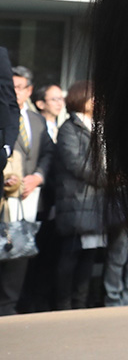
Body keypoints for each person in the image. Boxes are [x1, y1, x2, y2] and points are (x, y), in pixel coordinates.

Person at [0, 62, 49, 316]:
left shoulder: (36, 120)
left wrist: (38, 177)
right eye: (11, 86)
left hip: (28, 200)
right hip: (4, 198)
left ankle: (9, 308)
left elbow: (48, 153)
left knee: (21, 252)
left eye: (20, 87)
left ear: (29, 91)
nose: (15, 91)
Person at [52, 80, 105, 310]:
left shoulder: (98, 127)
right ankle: (63, 305)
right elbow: (75, 163)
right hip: (75, 199)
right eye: (92, 97)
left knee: (88, 256)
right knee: (70, 256)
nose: (96, 102)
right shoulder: (69, 128)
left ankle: (80, 304)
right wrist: (107, 179)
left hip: (95, 201)